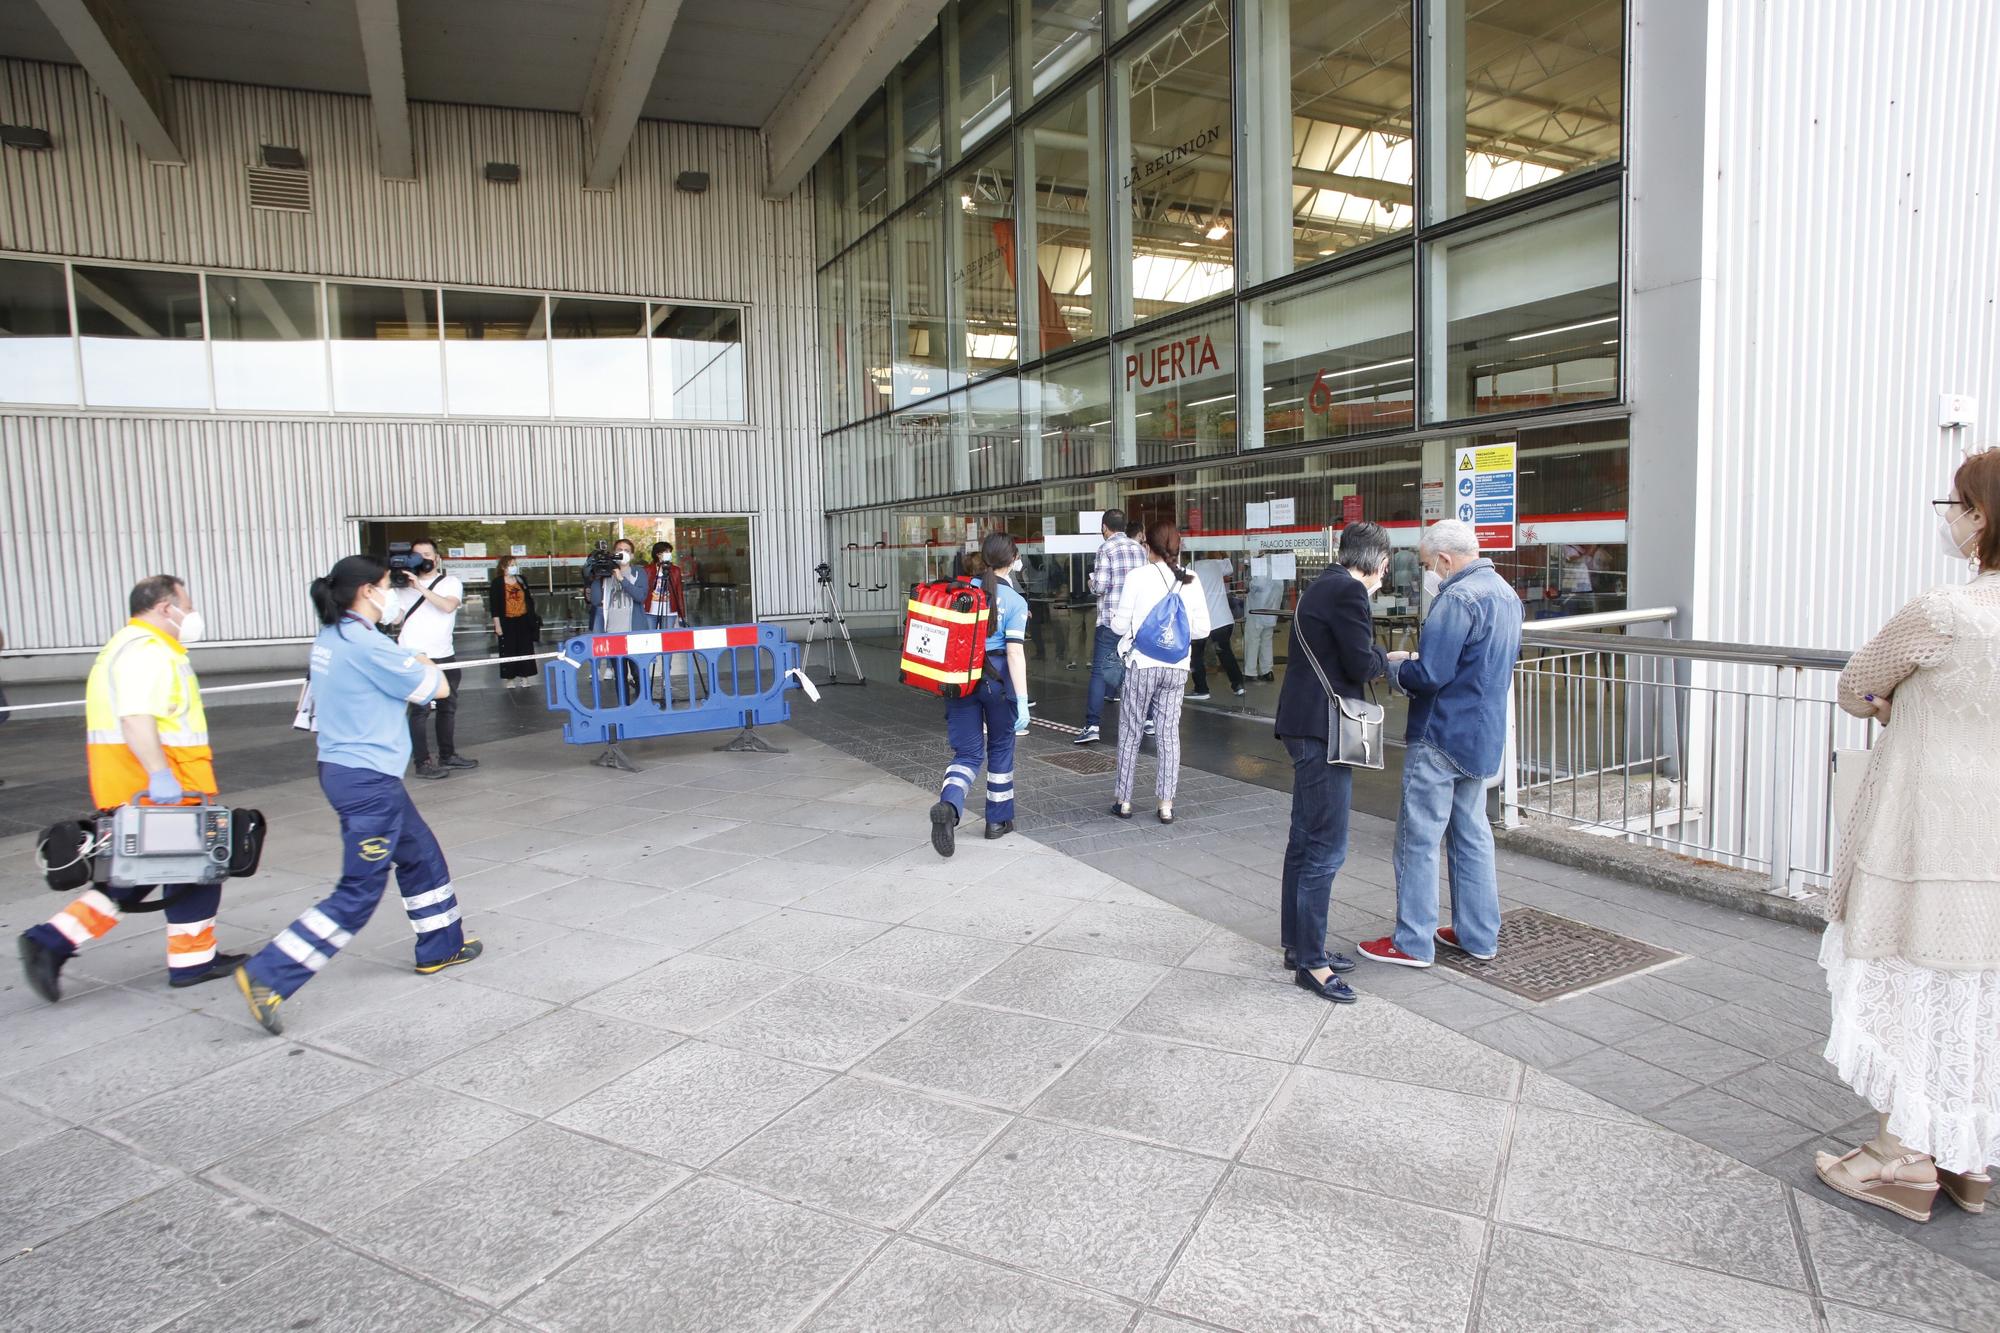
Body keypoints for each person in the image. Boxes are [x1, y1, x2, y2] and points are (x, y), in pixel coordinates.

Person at [1812, 449, 2000, 1222]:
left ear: (1981, 516)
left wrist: (1889, 702)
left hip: (1925, 829)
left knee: (1908, 979)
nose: (1948, 518)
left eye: (1952, 504)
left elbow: (1857, 682)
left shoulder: (1945, 611)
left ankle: (1901, 1159)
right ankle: (1968, 1158)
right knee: (1972, 990)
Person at [234, 556, 482, 1035]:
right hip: (368, 782)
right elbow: (440, 686)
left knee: (421, 857)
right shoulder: (367, 645)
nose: (390, 594)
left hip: (349, 770)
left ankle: (441, 945)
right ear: (368, 592)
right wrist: (423, 661)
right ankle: (268, 976)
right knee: (360, 889)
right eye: (387, 586)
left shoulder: (330, 636)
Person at [18, 576, 249, 998]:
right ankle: (188, 961)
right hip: (159, 785)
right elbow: (136, 717)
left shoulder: (125, 646)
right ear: (166, 607)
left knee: (153, 875)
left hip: (144, 783)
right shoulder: (147, 651)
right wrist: (160, 776)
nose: (192, 616)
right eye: (187, 606)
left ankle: (56, 941)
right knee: (189, 871)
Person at [1359, 518, 1522, 968]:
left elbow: (1431, 675)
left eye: (1430, 564)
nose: (1429, 573)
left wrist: (1394, 667)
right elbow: (1482, 662)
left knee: (1418, 839)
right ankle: (1478, 934)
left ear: (1446, 560)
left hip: (1440, 735)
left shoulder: (1457, 598)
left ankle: (1412, 940)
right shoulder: (1507, 595)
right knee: (1472, 836)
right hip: (1483, 735)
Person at [1274, 523, 1392, 1004]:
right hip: (1325, 729)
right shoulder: (1349, 592)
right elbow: (1361, 663)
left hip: (1303, 722)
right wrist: (1391, 657)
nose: (1384, 578)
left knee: (1304, 842)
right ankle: (1312, 965)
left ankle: (1299, 945)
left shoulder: (1320, 584)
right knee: (1326, 848)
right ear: (1376, 562)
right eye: (1384, 569)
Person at [928, 532, 1031, 857]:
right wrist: (1024, 702)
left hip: (959, 681)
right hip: (997, 684)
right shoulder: (1015, 601)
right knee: (1000, 747)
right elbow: (1014, 654)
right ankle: (997, 822)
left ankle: (950, 805)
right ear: (1012, 560)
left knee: (968, 754)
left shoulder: (962, 591)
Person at [1108, 520, 1210, 823]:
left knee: (1130, 731)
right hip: (1176, 667)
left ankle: (1124, 800)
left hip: (1142, 664)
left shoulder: (1137, 577)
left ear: (1147, 546)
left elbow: (1118, 626)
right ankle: (1166, 804)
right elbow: (1202, 628)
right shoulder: (1190, 578)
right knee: (1168, 734)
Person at [388, 538, 476, 778]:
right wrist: (386, 589)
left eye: (428, 554)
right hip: (416, 656)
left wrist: (420, 588)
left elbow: (448, 606)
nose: (424, 559)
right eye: (418, 555)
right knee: (420, 710)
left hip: (445, 654)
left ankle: (447, 755)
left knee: (448, 707)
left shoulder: (450, 582)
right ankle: (422, 762)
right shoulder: (401, 586)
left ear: (437, 558)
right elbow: (395, 619)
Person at [1075, 508, 1144, 746]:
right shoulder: (1138, 549)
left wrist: (1091, 582)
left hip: (1111, 621)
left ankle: (1092, 725)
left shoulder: (1106, 548)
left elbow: (1101, 586)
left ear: (1105, 527)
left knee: (1099, 672)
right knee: (1136, 670)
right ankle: (1146, 720)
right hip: (1135, 621)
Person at [587, 537, 647, 702]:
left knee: (638, 672)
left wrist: (621, 578)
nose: (623, 553)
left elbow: (640, 596)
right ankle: (624, 707)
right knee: (620, 676)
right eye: (619, 550)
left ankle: (643, 704)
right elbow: (595, 600)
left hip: (634, 633)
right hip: (613, 634)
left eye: (627, 550)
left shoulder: (638, 573)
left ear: (632, 555)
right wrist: (595, 575)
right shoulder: (606, 575)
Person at [1189, 557, 1246, 700]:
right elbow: (1230, 567)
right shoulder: (1215, 563)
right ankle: (1238, 685)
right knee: (1225, 653)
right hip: (1223, 618)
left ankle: (1201, 689)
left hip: (1203, 619)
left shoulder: (1191, 566)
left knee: (1196, 655)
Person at [489, 554, 540, 691]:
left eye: (515, 564)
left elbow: (528, 599)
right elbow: (494, 606)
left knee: (525, 648)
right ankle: (509, 679)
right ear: (503, 567)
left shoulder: (521, 580)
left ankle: (525, 677)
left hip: (523, 619)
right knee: (508, 649)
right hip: (506, 620)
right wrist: (497, 625)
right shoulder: (497, 583)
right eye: (511, 565)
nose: (514, 567)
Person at [1242, 564, 1282, 682]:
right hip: (1270, 610)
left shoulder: (1261, 564)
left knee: (1253, 640)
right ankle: (1267, 671)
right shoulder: (1276, 566)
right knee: (1267, 641)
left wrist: (1249, 585)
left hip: (1257, 609)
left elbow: (1258, 583)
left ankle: (1250, 672)